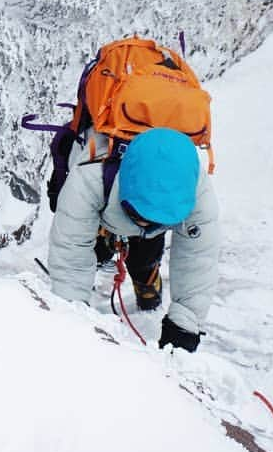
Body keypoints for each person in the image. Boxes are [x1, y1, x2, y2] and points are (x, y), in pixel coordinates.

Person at [47, 126, 221, 351]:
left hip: (138, 212)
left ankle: (146, 277)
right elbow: (71, 251)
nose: (146, 225)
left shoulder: (196, 191)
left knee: (144, 258)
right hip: (104, 212)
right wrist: (69, 317)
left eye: (154, 221)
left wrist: (184, 325)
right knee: (98, 251)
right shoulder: (90, 178)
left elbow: (198, 259)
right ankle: (113, 253)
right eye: (141, 217)